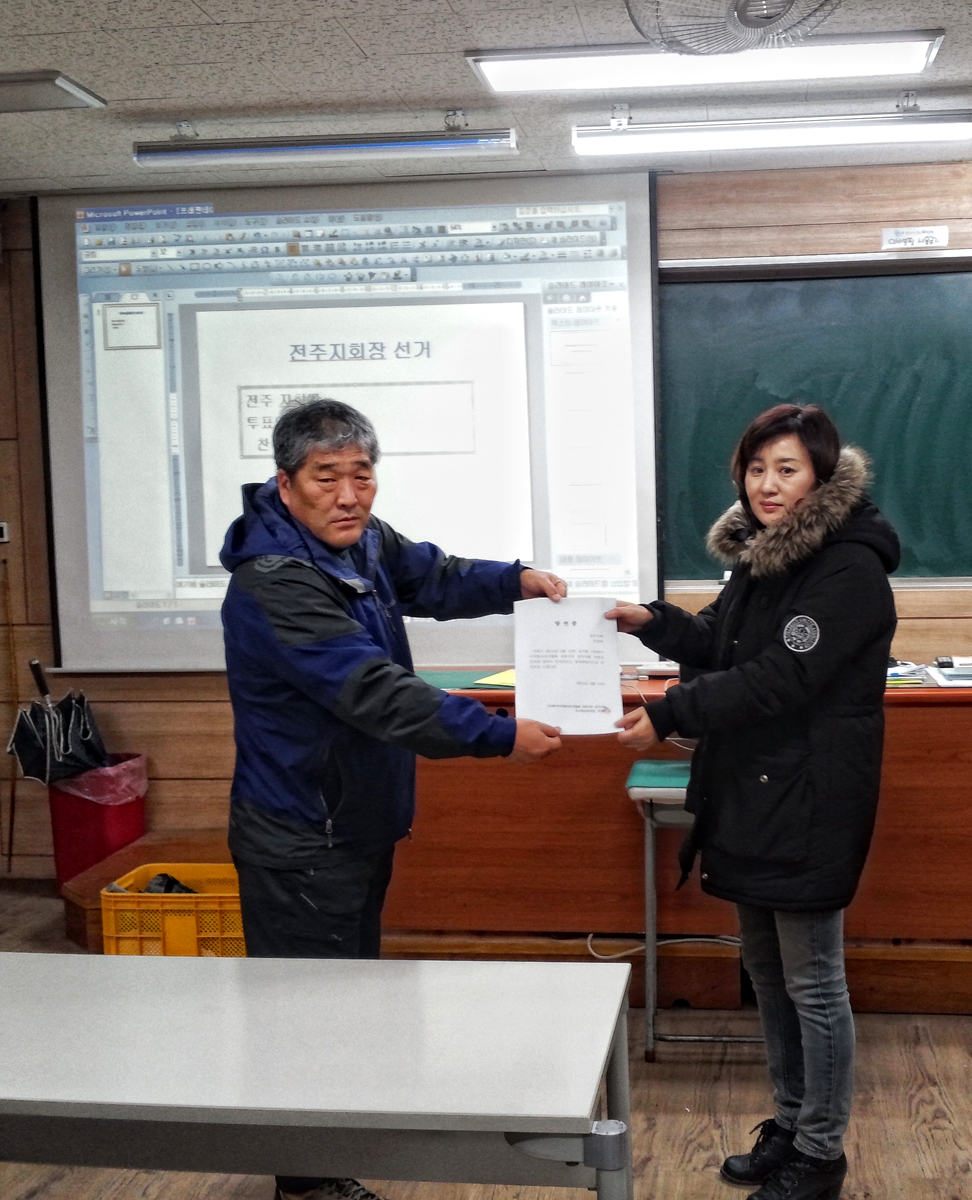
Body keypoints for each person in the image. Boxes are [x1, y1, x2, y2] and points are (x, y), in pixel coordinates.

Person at [220, 397, 564, 1200]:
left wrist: (514, 580)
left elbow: (432, 576)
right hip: (302, 836)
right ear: (285, 483)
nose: (349, 496)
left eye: (362, 476)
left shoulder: (362, 539)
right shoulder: (277, 583)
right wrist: (498, 735)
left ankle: (329, 1153)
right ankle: (308, 1183)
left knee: (342, 1004)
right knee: (306, 1016)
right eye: (326, 478)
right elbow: (376, 693)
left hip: (351, 822)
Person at [607, 404, 899, 1200]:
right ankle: (794, 1125)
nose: (768, 485)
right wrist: (649, 622)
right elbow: (720, 642)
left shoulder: (847, 569)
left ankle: (821, 1153)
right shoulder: (764, 558)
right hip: (754, 791)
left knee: (814, 983)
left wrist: (670, 712)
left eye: (787, 469)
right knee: (767, 974)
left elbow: (780, 677)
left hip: (810, 801)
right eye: (757, 468)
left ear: (822, 477)